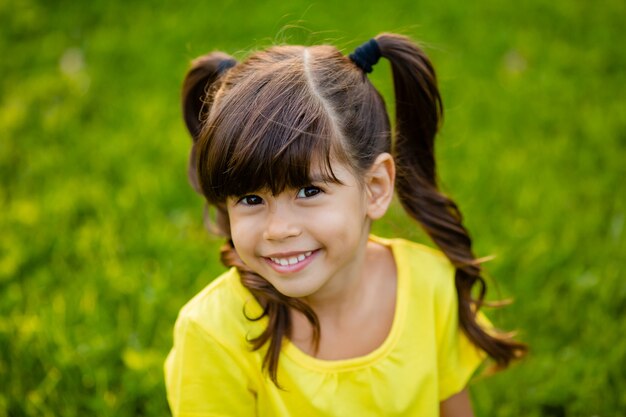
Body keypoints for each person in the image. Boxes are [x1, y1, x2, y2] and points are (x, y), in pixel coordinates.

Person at [164, 33, 526, 417]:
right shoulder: (212, 332)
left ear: (375, 187)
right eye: (251, 199)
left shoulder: (430, 287)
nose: (278, 229)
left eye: (307, 191)